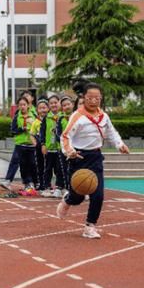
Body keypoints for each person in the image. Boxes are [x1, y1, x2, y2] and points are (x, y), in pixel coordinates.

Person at [58, 83, 130, 239]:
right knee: (77, 197)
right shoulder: (77, 116)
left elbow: (111, 133)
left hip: (95, 158)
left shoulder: (104, 116)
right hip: (78, 157)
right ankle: (68, 200)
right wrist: (69, 151)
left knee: (98, 195)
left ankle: (90, 226)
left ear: (101, 99)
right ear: (84, 98)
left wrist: (120, 144)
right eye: (90, 97)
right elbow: (65, 136)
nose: (94, 101)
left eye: (97, 98)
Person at [4, 97, 37, 193]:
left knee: (32, 164)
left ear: (28, 105)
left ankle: (32, 183)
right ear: (18, 106)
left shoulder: (33, 116)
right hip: (20, 144)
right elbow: (13, 130)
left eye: (24, 105)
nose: (22, 107)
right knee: (19, 164)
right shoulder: (16, 117)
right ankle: (13, 181)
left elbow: (39, 128)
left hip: (31, 145)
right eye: (20, 105)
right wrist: (23, 128)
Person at [40, 95, 64, 197]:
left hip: (60, 148)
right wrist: (43, 144)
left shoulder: (63, 116)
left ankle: (60, 187)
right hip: (49, 149)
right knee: (48, 169)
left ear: (59, 103)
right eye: (51, 103)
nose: (53, 104)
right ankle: (46, 188)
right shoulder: (46, 118)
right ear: (49, 105)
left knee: (60, 169)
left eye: (55, 102)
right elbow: (42, 132)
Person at [55, 95, 74, 196]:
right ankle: (67, 189)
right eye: (64, 105)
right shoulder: (60, 119)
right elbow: (58, 134)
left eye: (68, 104)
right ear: (62, 108)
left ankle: (80, 190)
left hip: (76, 148)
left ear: (72, 105)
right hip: (64, 149)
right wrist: (65, 142)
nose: (66, 106)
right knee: (65, 169)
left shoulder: (77, 116)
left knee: (77, 169)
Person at [29, 99, 49, 193]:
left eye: (44, 107)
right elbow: (32, 134)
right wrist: (36, 144)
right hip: (39, 147)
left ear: (48, 108)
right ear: (37, 110)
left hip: (50, 146)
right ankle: (41, 184)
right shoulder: (36, 122)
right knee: (40, 166)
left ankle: (48, 184)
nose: (42, 110)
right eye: (40, 108)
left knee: (49, 166)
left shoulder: (51, 120)